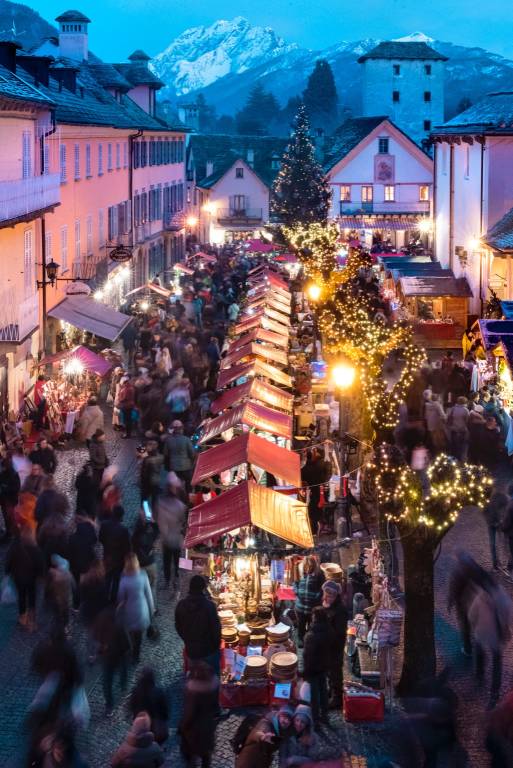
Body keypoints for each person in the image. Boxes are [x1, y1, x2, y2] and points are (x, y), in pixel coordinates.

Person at [468, 580, 513, 708]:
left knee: (479, 654)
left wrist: (475, 626)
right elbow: (510, 619)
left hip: (481, 633)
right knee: (497, 663)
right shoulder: (505, 600)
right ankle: (494, 694)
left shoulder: (480, 596)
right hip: (497, 638)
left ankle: (479, 677)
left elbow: (471, 615)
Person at [175, 575, 221, 675]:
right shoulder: (210, 606)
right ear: (204, 588)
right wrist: (215, 647)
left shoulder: (181, 605)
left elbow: (178, 627)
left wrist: (187, 639)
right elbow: (216, 630)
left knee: (195, 675)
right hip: (209, 651)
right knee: (212, 677)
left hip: (192, 651)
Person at [117, 553, 155, 664]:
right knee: (138, 637)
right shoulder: (143, 575)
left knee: (130, 632)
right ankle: (136, 655)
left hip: (129, 611)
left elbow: (120, 597)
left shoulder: (124, 580)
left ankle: (130, 647)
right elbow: (148, 594)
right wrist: (151, 610)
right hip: (141, 611)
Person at [179, 661, 218, 768]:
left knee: (191, 751)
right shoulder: (213, 686)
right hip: (208, 725)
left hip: (194, 729)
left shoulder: (193, 693)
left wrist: (182, 726)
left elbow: (189, 714)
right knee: (206, 754)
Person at [5, 526, 44, 630]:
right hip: (31, 579)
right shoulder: (36, 550)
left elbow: (8, 561)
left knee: (21, 597)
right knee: (32, 598)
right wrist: (41, 576)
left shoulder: (15, 546)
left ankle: (22, 617)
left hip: (18, 579)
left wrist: (7, 572)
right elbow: (40, 565)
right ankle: (32, 620)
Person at [302, 607, 332, 729]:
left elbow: (307, 656)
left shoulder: (311, 635)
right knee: (323, 691)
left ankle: (315, 721)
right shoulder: (329, 630)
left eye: (313, 616)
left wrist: (305, 672)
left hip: (313, 669)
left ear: (315, 618)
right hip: (324, 666)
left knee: (314, 696)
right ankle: (325, 716)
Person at [156, 473, 187, 589]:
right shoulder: (180, 506)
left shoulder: (161, 504)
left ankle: (168, 580)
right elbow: (183, 521)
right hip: (176, 539)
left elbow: (160, 522)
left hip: (166, 540)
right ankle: (176, 578)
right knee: (176, 560)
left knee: (167, 561)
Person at [322, 580, 349, 708]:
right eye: (325, 594)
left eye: (329, 595)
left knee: (335, 671)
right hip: (328, 646)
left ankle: (337, 697)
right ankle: (331, 690)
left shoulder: (340, 610)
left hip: (335, 646)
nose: (326, 597)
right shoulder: (328, 606)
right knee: (328, 670)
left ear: (335, 596)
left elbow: (338, 632)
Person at [129, 667, 169, 745]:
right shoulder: (159, 692)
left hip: (141, 723)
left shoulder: (136, 691)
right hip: (155, 725)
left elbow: (132, 706)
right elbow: (165, 711)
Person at [99, 505, 131, 602]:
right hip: (119, 561)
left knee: (107, 579)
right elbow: (127, 548)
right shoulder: (124, 530)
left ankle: (104, 600)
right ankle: (113, 601)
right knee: (116, 581)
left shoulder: (104, 524)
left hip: (107, 558)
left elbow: (101, 539)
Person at [68, 514, 98, 607]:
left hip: (75, 565)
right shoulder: (90, 532)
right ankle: (88, 601)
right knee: (88, 583)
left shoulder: (72, 538)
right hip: (88, 562)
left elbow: (70, 552)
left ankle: (76, 605)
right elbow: (95, 541)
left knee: (76, 585)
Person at [131, 508, 159, 607]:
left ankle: (141, 607)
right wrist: (152, 522)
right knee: (152, 587)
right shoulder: (150, 535)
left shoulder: (135, 536)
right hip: (150, 564)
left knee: (140, 588)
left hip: (139, 565)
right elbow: (157, 531)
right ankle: (152, 607)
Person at [295, 556, 325, 648]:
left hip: (312, 607)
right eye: (306, 566)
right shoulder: (301, 574)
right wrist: (297, 591)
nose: (308, 568)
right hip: (300, 607)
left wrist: (317, 596)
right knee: (301, 625)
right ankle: (300, 639)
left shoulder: (319, 574)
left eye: (310, 566)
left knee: (312, 625)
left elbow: (322, 587)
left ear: (313, 565)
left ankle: (310, 641)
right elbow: (295, 583)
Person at [301, 448, 331, 536]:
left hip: (311, 492)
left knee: (312, 511)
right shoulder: (319, 466)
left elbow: (302, 480)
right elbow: (326, 472)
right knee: (319, 509)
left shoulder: (304, 469)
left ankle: (314, 530)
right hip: (321, 491)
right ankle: (321, 525)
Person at [163, 420, 196, 493]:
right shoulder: (186, 440)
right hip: (186, 467)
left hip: (174, 467)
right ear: (182, 429)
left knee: (174, 485)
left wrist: (167, 466)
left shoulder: (168, 440)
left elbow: (166, 454)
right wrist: (192, 463)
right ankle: (189, 498)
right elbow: (192, 454)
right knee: (188, 485)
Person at [45, 554, 74, 633]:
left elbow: (49, 588)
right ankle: (65, 628)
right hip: (67, 600)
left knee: (58, 615)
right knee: (65, 615)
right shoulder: (68, 575)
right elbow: (73, 586)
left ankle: (59, 629)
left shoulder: (54, 575)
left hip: (57, 600)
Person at [483, 488, 509, 570]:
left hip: (499, 523)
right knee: (493, 544)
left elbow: (506, 504)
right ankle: (495, 564)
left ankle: (508, 563)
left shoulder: (498, 497)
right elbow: (484, 513)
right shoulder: (484, 501)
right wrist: (490, 521)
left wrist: (502, 518)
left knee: (504, 542)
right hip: (491, 525)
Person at [0, 450, 20, 537]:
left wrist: (5, 488)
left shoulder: (13, 474)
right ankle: (9, 532)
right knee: (6, 517)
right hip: (4, 499)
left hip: (11, 500)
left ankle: (16, 535)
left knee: (12, 518)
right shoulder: (3, 473)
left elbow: (16, 488)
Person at [139, 441, 163, 510]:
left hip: (148, 482)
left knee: (144, 499)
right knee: (154, 499)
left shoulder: (147, 460)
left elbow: (144, 473)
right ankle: (154, 514)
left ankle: (146, 514)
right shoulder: (160, 457)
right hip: (156, 481)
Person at [446, 396, 469, 461]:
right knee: (461, 447)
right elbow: (467, 421)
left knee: (453, 446)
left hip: (453, 429)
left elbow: (449, 418)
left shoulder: (453, 408)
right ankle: (459, 460)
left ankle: (452, 459)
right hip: (462, 430)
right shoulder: (465, 410)